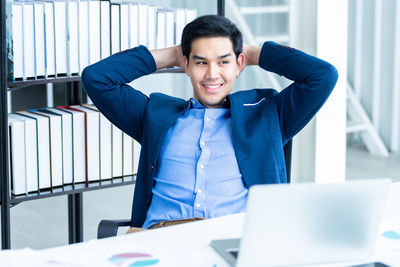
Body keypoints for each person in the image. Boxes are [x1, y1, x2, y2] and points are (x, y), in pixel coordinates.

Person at [81, 15, 338, 230]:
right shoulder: (155, 114)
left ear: (239, 64)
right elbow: (97, 78)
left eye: (223, 62)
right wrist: (174, 54)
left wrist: (251, 53)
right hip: (161, 241)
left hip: (231, 240)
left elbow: (322, 76)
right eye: (200, 62)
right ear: (186, 65)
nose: (212, 74)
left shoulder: (266, 115)